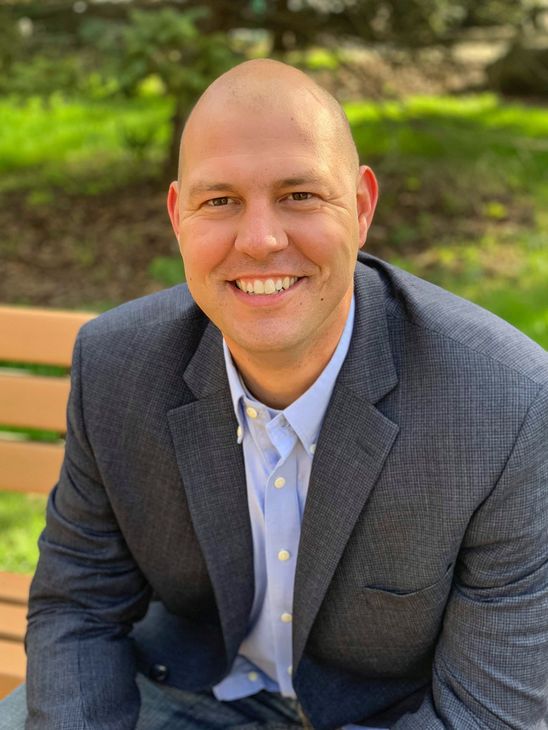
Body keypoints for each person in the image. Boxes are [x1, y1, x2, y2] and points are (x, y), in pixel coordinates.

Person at [2, 58, 547, 730]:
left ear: (363, 206)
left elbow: (489, 715)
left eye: (300, 196)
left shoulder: (505, 407)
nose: (260, 240)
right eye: (220, 201)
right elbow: (78, 607)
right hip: (188, 687)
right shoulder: (117, 369)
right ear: (179, 216)